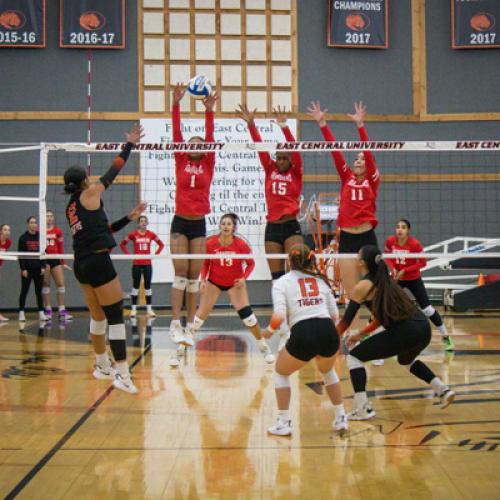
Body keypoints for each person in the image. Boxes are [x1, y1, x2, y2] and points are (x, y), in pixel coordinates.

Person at [64, 123, 145, 394]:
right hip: (98, 263)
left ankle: (101, 365)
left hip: (81, 265)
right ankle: (122, 373)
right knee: (115, 316)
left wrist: (129, 218)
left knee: (98, 317)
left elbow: (103, 231)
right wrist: (130, 144)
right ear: (85, 181)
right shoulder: (91, 193)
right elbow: (113, 171)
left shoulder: (72, 206)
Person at [337, 245, 455, 420]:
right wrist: (361, 334)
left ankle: (362, 408)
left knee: (354, 358)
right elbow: (382, 318)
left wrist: (327, 339)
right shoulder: (385, 280)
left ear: (362, 262)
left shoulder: (362, 286)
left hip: (406, 331)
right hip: (423, 327)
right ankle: (442, 390)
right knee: (405, 359)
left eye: (357, 255)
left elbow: (345, 322)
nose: (355, 258)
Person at [236, 104, 304, 349]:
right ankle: (283, 325)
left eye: (286, 157)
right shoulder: (270, 168)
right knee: (277, 278)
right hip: (273, 228)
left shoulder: (296, 173)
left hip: (291, 226)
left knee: (297, 271)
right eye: (280, 157)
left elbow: (295, 150)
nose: (283, 160)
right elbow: (260, 149)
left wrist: (284, 126)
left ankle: (299, 318)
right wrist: (251, 124)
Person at [307, 101, 379, 330]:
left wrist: (360, 125)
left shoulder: (373, 179)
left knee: (373, 290)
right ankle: (353, 335)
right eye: (355, 159)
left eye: (361, 159)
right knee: (351, 292)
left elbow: (368, 152)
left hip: (367, 238)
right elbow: (335, 151)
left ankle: (377, 328)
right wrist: (322, 123)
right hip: (347, 238)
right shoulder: (346, 176)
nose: (358, 161)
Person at [263, 244, 347, 437]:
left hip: (304, 332)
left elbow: (279, 315)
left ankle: (284, 422)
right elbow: (335, 315)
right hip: (328, 332)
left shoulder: (282, 282)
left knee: (280, 372)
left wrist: (268, 331)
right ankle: (341, 416)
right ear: (311, 260)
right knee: (328, 371)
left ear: (289, 261)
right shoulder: (321, 281)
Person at [189, 213, 274, 363]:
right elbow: (205, 263)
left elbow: (251, 263)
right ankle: (181, 349)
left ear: (234, 227)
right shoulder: (210, 243)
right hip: (214, 282)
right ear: (219, 226)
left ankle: (263, 347)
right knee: (198, 318)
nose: (226, 226)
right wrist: (203, 279)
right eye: (223, 224)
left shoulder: (241, 245)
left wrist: (243, 278)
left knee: (248, 318)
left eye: (229, 224)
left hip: (234, 283)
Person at [169, 83, 218, 345]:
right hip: (180, 222)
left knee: (193, 278)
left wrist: (209, 111)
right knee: (180, 273)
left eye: (199, 143)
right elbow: (177, 133)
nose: (195, 144)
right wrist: (176, 104)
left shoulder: (208, 162)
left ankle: (189, 326)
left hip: (199, 223)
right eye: (191, 142)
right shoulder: (181, 159)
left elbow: (210, 136)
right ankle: (174, 323)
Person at [385, 219, 454, 351]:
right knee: (384, 303)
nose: (400, 230)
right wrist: (393, 268)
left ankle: (445, 336)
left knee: (427, 309)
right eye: (398, 227)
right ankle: (370, 334)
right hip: (397, 278)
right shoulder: (390, 241)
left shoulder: (414, 244)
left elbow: (422, 263)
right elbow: (388, 256)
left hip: (413, 278)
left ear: (408, 230)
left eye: (403, 227)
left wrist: (406, 270)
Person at [120, 215, 165, 318]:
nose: (143, 223)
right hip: (136, 264)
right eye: (141, 221)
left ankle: (149, 310)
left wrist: (155, 255)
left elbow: (161, 244)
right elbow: (122, 244)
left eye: (145, 221)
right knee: (135, 287)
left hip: (147, 264)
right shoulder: (133, 234)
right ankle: (133, 310)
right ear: (138, 223)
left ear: (147, 223)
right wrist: (129, 255)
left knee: (148, 287)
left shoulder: (151, 234)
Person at [43, 210, 72, 321]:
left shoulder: (57, 231)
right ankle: (48, 310)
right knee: (46, 284)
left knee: (60, 284)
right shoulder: (40, 231)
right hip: (45, 259)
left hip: (55, 259)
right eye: (47, 216)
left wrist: (63, 262)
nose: (49, 218)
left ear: (53, 218)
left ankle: (61, 310)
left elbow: (60, 247)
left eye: (51, 216)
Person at [18, 217, 46, 322]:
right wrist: (23, 268)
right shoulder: (23, 238)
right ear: (28, 224)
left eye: (35, 222)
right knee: (24, 291)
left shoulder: (41, 237)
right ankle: (21, 313)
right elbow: (20, 255)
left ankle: (41, 313)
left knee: (39, 292)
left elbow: (44, 252)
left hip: (38, 269)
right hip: (27, 270)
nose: (34, 224)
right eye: (31, 222)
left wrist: (43, 266)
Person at [0, 223, 12, 321]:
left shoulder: (8, 242)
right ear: (0, 231)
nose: (7, 232)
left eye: (8, 230)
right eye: (5, 229)